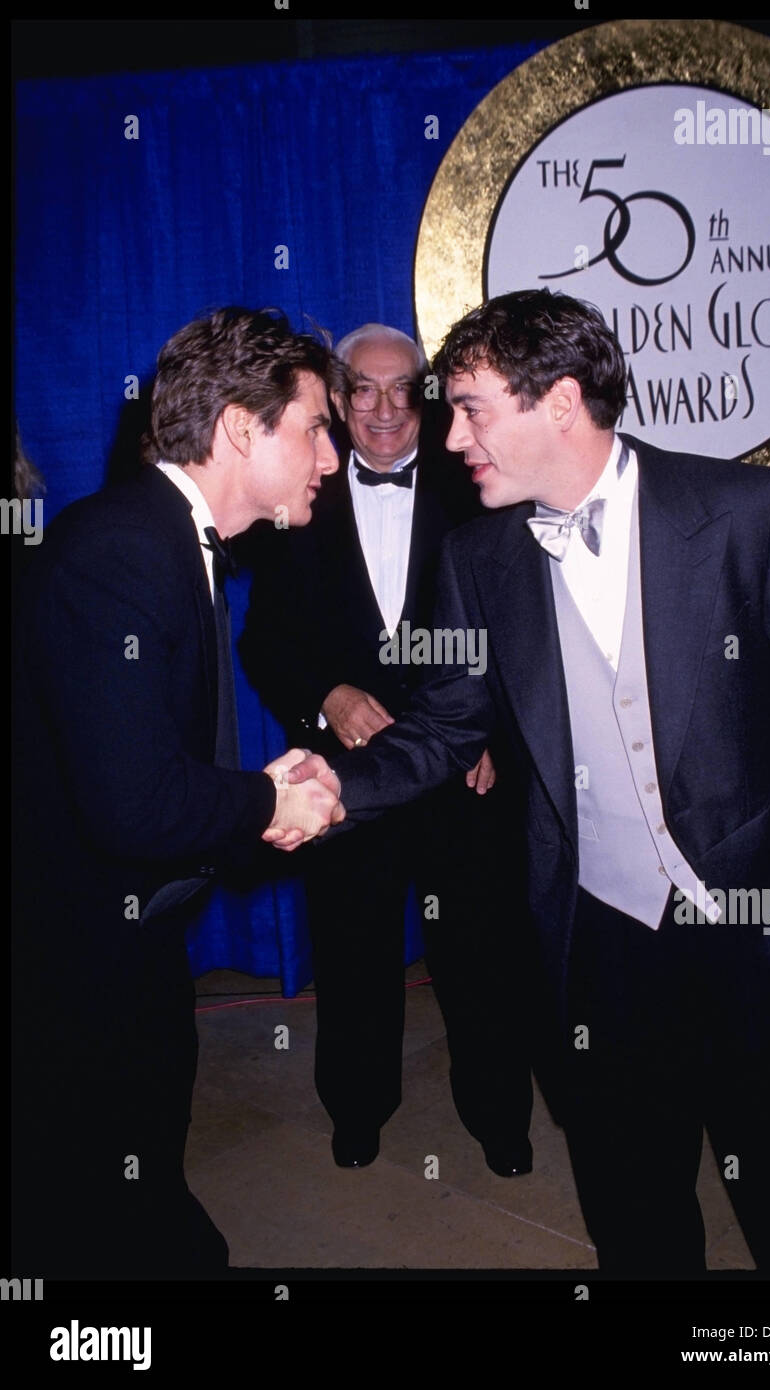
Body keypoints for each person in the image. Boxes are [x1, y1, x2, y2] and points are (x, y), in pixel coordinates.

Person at [285, 289, 770, 1278]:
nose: (447, 432)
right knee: (631, 1202)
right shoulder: (476, 557)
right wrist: (330, 791)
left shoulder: (739, 512)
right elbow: (442, 728)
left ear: (556, 401)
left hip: (756, 926)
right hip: (596, 939)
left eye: (467, 406)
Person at [11, 306, 343, 1278]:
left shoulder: (169, 536)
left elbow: (152, 765)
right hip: (73, 964)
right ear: (243, 426)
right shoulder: (120, 549)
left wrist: (254, 793)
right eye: (314, 426)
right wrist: (264, 806)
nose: (328, 457)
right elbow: (131, 803)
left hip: (132, 943)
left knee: (145, 1176)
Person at [240, 324, 533, 1174]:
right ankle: (358, 1113)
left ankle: (500, 1120)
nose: (381, 409)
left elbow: (523, 629)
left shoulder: (476, 484)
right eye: (361, 390)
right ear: (337, 397)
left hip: (464, 777)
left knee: (482, 958)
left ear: (427, 396)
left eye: (402, 388)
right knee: (354, 953)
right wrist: (327, 696)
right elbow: (264, 644)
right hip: (348, 780)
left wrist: (490, 731)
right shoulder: (302, 494)